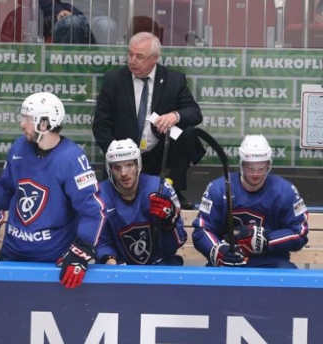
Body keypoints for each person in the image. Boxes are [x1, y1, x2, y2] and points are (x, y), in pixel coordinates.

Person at [0, 92, 104, 289]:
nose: (22, 124)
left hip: (52, 263)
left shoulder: (72, 159)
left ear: (44, 123)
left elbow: (93, 211)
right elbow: (5, 194)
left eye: (27, 119)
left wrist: (82, 251)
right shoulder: (19, 148)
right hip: (11, 255)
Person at [93, 31, 205, 210]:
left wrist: (174, 116)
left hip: (158, 152)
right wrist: (117, 153)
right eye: (130, 54)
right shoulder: (113, 80)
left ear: (154, 58)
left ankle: (175, 189)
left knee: (187, 132)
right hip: (125, 153)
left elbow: (195, 113)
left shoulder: (173, 80)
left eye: (139, 56)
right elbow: (100, 124)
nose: (132, 60)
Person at [192, 135, 309, 268]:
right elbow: (202, 229)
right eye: (250, 168)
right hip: (229, 261)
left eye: (261, 168)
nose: (255, 174)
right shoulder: (218, 188)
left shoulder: (285, 191)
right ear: (241, 164)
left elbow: (300, 233)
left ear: (269, 165)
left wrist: (266, 241)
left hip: (272, 262)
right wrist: (218, 250)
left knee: (289, 277)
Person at [96, 138, 187, 265]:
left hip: (160, 264)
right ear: (110, 169)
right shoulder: (100, 195)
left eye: (129, 165)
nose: (124, 173)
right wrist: (110, 262)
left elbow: (177, 242)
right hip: (120, 266)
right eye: (117, 167)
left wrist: (169, 224)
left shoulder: (160, 189)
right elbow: (101, 240)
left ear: (138, 165)